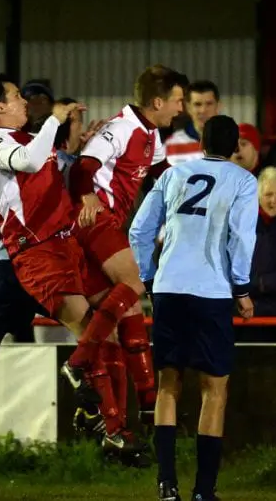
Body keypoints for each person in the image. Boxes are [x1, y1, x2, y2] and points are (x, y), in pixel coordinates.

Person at [0, 74, 141, 452]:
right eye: (15, 96)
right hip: (37, 254)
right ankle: (112, 426)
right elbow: (31, 161)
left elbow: (54, 163)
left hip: (65, 245)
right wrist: (54, 119)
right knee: (89, 331)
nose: (23, 102)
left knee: (105, 331)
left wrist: (86, 142)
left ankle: (112, 426)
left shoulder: (27, 140)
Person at [129, 115, 257, 501]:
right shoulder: (243, 181)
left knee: (169, 385)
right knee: (214, 389)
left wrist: (150, 279)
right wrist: (243, 289)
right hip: (212, 290)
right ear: (235, 146)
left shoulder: (172, 175)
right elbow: (241, 236)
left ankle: (167, 485)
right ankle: (204, 490)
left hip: (169, 289)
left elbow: (139, 230)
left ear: (201, 142)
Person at [65, 64, 187, 426]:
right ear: (157, 101)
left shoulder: (150, 134)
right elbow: (82, 168)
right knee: (134, 285)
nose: (180, 109)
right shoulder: (121, 127)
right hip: (93, 223)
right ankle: (77, 364)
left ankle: (131, 420)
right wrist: (87, 197)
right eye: (178, 101)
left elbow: (159, 174)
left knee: (129, 319)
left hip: (107, 226)